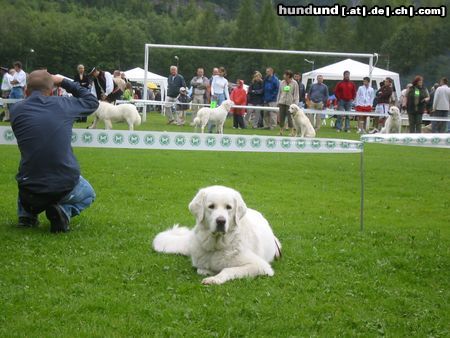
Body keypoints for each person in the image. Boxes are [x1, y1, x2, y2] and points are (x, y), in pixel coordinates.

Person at [10, 70, 99, 232]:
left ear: (25, 90)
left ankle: (27, 216)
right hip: (63, 186)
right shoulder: (64, 104)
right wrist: (64, 81)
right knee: (89, 194)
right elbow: (92, 101)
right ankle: (63, 212)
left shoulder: (16, 110)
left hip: (29, 191)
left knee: (30, 165)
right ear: (52, 91)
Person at [277, 70, 299, 136]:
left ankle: (292, 132)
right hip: (282, 102)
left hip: (290, 104)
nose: (283, 76)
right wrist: (278, 101)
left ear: (288, 76)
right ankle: (281, 131)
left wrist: (295, 104)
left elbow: (296, 94)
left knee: (290, 118)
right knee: (281, 118)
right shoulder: (282, 82)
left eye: (285, 75)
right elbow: (279, 92)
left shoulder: (294, 83)